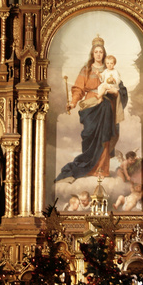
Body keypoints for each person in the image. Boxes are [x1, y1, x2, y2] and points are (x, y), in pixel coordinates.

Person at [56, 36, 127, 181]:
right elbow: (78, 89)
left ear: (104, 53)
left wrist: (117, 90)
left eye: (101, 52)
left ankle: (102, 169)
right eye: (96, 52)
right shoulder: (86, 69)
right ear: (92, 54)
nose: (99, 54)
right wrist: (73, 103)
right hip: (90, 106)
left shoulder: (110, 70)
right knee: (88, 135)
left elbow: (119, 87)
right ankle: (89, 168)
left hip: (106, 106)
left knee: (104, 137)